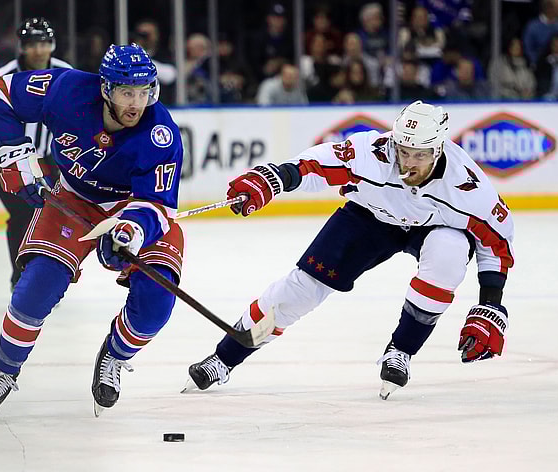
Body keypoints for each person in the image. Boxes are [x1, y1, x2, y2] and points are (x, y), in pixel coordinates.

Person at [183, 101, 514, 400]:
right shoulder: (371, 153)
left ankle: (401, 351)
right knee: (300, 290)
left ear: (439, 149)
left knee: (449, 256)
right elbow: (314, 166)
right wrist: (275, 179)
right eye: (403, 150)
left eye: (420, 154)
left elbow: (497, 242)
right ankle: (223, 359)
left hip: (434, 228)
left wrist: (490, 305)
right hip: (369, 218)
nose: (408, 163)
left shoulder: (468, 186)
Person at [0, 43, 184, 417]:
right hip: (72, 197)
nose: (136, 103)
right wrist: (13, 154)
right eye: (125, 92)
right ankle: (3, 370)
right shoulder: (66, 89)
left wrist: (130, 231)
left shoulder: (161, 135)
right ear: (105, 89)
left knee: (157, 299)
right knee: (36, 287)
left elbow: (158, 205)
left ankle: (114, 355)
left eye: (144, 91)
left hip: (131, 207)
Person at [0, 17, 72, 290]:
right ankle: (21, 277)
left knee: (50, 213)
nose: (39, 50)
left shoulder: (66, 74)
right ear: (21, 47)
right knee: (23, 213)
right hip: (4, 159)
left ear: (52, 45)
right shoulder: (2, 78)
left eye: (44, 43)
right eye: (32, 44)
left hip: (46, 158)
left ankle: (39, 271)